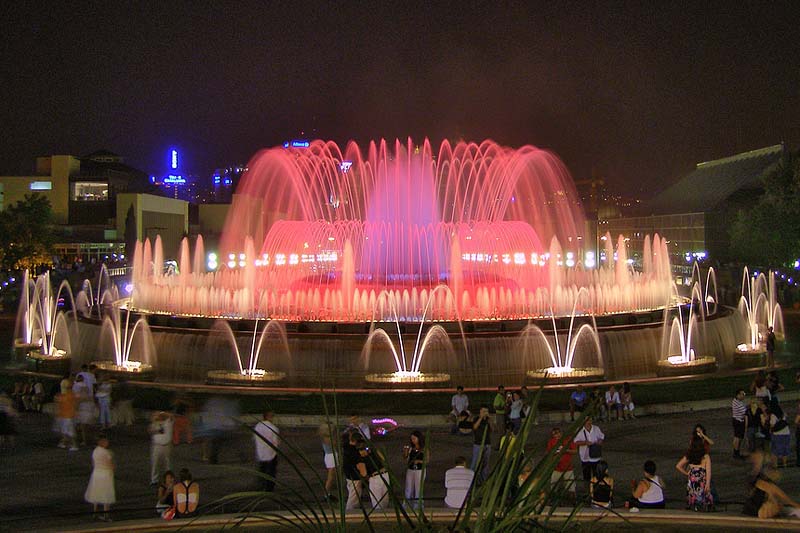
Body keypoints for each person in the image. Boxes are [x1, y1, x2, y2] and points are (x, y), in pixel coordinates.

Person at [742, 450, 800, 518]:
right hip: (756, 511)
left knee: (777, 505)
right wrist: (794, 504)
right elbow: (780, 495)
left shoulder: (766, 483)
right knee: (775, 506)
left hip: (759, 509)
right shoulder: (762, 483)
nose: (778, 474)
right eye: (774, 470)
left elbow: (780, 497)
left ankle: (794, 511)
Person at [676, 436, 713, 511]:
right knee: (703, 496)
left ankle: (694, 506)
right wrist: (708, 484)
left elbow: (678, 466)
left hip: (692, 479)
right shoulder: (706, 456)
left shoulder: (689, 455)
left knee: (693, 494)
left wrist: (687, 473)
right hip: (701, 479)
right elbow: (708, 472)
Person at [84, 435, 115, 522]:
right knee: (106, 494)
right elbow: (110, 465)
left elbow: (93, 464)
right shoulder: (107, 452)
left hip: (96, 473)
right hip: (105, 474)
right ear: (102, 442)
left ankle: (95, 513)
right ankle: (106, 515)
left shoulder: (95, 451)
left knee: (96, 492)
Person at [546, 427, 577, 496]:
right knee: (554, 487)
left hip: (568, 468)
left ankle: (573, 500)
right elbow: (548, 453)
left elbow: (575, 451)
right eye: (555, 434)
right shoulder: (551, 442)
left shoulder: (568, 440)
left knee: (571, 487)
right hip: (556, 468)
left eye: (558, 433)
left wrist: (566, 450)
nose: (557, 435)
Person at [254, 410, 280, 491]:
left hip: (261, 453)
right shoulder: (273, 428)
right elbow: (275, 442)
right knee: (271, 472)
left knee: (262, 471)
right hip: (271, 453)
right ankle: (269, 489)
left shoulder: (257, 426)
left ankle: (260, 487)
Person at [574, 416, 604, 482]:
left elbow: (601, 437)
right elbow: (575, 442)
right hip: (585, 457)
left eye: (590, 419)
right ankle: (588, 490)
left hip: (595, 456)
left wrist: (600, 441)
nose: (589, 421)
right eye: (587, 420)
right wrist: (585, 442)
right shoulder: (580, 430)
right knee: (586, 476)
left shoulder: (596, 428)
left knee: (597, 476)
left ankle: (595, 490)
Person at [343, 430, 367, 510]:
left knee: (354, 497)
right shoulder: (354, 452)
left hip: (348, 476)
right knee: (353, 500)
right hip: (354, 478)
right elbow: (360, 466)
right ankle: (349, 514)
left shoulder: (346, 448)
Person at [149, 411, 174, 486]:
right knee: (155, 463)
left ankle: (169, 480)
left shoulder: (168, 422)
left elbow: (171, 415)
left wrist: (161, 413)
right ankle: (154, 480)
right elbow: (150, 431)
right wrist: (156, 426)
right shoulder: (155, 424)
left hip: (167, 445)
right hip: (157, 445)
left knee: (167, 463)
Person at [403, 430, 426, 510]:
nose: (412, 440)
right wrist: (405, 452)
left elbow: (426, 460)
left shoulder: (424, 449)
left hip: (420, 470)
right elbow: (406, 459)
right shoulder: (411, 449)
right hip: (411, 469)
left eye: (414, 438)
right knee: (408, 487)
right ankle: (407, 504)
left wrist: (419, 461)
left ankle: (418, 505)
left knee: (418, 487)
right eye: (411, 439)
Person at [470, 406, 493, 484]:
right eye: (483, 411)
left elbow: (493, 429)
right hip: (478, 444)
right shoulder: (476, 419)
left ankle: (483, 480)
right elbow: (474, 427)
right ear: (480, 411)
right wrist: (480, 418)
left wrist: (490, 420)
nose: (485, 413)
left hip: (487, 443)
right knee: (475, 462)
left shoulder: (488, 420)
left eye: (486, 411)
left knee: (485, 463)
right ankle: (472, 480)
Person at [55, 380, 78, 451]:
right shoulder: (71, 394)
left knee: (69, 432)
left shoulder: (66, 395)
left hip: (67, 416)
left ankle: (73, 445)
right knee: (66, 431)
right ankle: (65, 443)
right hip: (67, 415)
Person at [73, 374, 95, 446]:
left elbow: (77, 399)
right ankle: (89, 440)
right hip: (89, 408)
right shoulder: (86, 387)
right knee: (87, 426)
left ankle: (83, 440)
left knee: (82, 426)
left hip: (82, 408)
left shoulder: (76, 387)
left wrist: (75, 407)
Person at [319, 422, 338, 500]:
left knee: (332, 476)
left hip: (330, 455)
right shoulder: (327, 438)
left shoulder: (325, 437)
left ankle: (328, 493)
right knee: (330, 477)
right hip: (331, 456)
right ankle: (326, 494)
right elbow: (335, 444)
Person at [732, 389, 747, 459]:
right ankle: (736, 452)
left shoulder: (736, 401)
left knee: (737, 437)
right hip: (739, 421)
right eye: (742, 394)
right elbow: (745, 412)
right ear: (737, 395)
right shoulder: (738, 403)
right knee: (738, 438)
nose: (743, 395)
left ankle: (736, 451)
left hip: (736, 420)